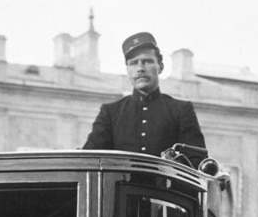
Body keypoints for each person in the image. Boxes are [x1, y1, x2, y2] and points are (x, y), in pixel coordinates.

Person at [82, 32, 206, 162]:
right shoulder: (110, 113)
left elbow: (197, 162)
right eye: (133, 63)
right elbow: (89, 158)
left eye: (147, 61)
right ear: (127, 70)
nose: (140, 68)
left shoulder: (181, 110)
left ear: (161, 67)